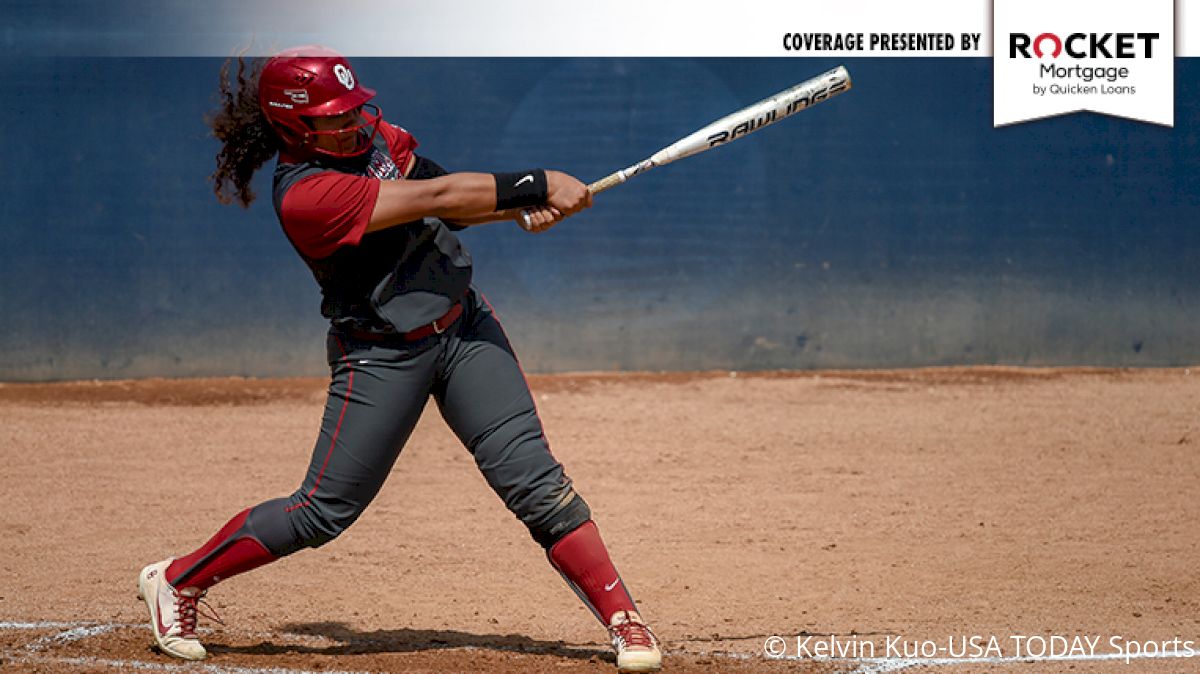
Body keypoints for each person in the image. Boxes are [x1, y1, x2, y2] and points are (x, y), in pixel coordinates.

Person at [136, 45, 662, 673]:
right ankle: (177, 579)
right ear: (294, 126)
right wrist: (537, 184)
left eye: (354, 108)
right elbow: (435, 193)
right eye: (333, 117)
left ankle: (624, 618)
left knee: (537, 485)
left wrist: (517, 210)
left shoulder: (374, 140)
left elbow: (450, 203)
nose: (351, 123)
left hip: (464, 327)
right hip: (382, 356)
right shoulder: (309, 196)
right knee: (322, 512)